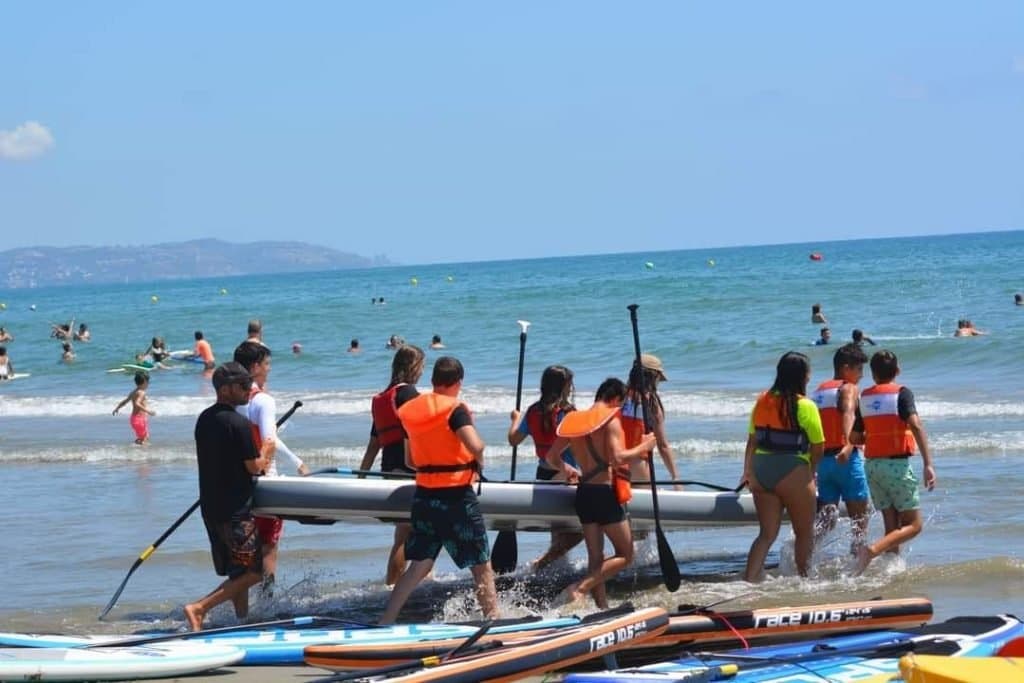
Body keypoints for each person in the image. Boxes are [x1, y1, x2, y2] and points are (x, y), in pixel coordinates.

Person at [380, 356, 498, 624]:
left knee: (419, 564)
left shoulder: (410, 409)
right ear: (458, 383)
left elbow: (410, 461)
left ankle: (386, 619)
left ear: (433, 381)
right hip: (457, 496)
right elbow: (476, 445)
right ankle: (493, 619)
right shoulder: (454, 409)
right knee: (480, 563)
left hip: (424, 496)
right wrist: (478, 462)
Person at [542, 378, 656, 608]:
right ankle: (579, 588)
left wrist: (569, 469)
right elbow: (617, 458)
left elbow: (551, 458)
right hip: (604, 494)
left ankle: (602, 607)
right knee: (626, 554)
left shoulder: (574, 420)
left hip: (584, 494)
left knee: (596, 557)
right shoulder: (610, 420)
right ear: (615, 399)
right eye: (621, 404)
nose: (621, 409)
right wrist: (645, 446)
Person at [185, 362, 270, 631]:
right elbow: (254, 467)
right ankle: (200, 608)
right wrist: (267, 451)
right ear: (225, 390)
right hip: (236, 511)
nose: (249, 390)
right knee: (254, 572)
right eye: (243, 386)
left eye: (250, 384)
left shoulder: (204, 419)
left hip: (211, 507)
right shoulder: (240, 424)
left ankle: (241, 620)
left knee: (238, 571)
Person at [233, 341, 310, 594]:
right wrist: (294, 464)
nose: (269, 370)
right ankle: (268, 603)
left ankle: (243, 611)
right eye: (267, 364)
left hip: (238, 481)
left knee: (246, 550)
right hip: (265, 481)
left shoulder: (232, 398)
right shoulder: (263, 400)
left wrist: (295, 460)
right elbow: (269, 441)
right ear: (255, 367)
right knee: (268, 547)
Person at [741, 351, 824, 581]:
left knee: (766, 534)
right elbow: (818, 447)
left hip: (761, 469)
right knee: (804, 531)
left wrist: (747, 472)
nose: (809, 377)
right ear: (802, 376)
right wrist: (811, 472)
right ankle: (806, 581)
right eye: (808, 373)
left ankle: (749, 580)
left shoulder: (762, 401)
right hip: (792, 470)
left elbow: (752, 440)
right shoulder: (805, 406)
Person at [852, 350, 936, 574]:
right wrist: (928, 463)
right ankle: (871, 550)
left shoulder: (865, 397)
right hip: (896, 467)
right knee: (915, 525)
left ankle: (890, 571)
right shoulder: (902, 393)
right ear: (897, 371)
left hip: (873, 467)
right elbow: (916, 425)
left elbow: (854, 437)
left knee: (892, 525)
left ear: (872, 374)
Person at [360, 345, 425, 586]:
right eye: (421, 367)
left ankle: (394, 584)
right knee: (413, 533)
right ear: (413, 367)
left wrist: (360, 478)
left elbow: (374, 444)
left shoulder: (381, 399)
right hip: (410, 470)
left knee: (403, 532)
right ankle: (407, 583)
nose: (421, 373)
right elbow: (416, 431)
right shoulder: (408, 393)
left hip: (389, 470)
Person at [507, 365, 584, 570]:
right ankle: (543, 563)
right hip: (564, 473)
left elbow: (514, 440)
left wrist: (515, 420)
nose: (572, 387)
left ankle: (556, 567)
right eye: (570, 384)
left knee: (558, 526)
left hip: (542, 474)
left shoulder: (533, 411)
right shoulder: (569, 413)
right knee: (582, 527)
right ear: (564, 386)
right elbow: (578, 449)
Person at [810, 343, 870, 546]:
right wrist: (848, 444)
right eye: (859, 369)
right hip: (845, 460)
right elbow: (848, 412)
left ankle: (801, 553)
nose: (861, 375)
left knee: (825, 521)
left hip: (823, 463)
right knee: (859, 522)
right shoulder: (849, 388)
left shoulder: (818, 391)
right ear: (846, 368)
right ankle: (857, 567)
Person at [621, 354, 680, 489]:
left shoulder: (618, 398)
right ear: (653, 377)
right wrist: (675, 477)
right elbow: (662, 445)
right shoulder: (651, 403)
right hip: (638, 467)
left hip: (615, 464)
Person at [113, 372, 157, 445]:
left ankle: (135, 450)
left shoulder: (134, 392)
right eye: (148, 382)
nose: (149, 384)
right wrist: (148, 411)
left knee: (143, 437)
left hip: (134, 419)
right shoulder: (142, 392)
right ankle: (141, 454)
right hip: (139, 419)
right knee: (144, 438)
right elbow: (137, 403)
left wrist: (117, 408)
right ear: (145, 382)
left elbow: (125, 401)